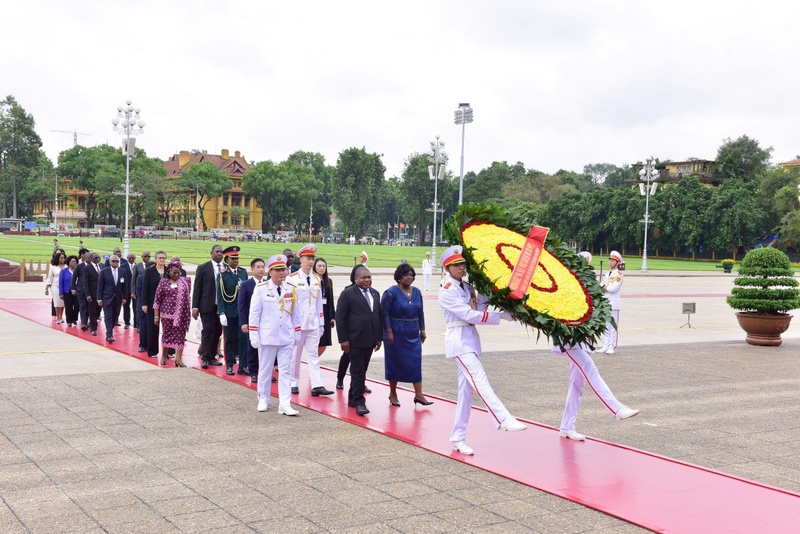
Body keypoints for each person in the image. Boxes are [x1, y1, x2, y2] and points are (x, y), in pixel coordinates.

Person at [438, 245, 526, 456]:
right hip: (459, 341)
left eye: (462, 264)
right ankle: (503, 418)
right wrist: (502, 317)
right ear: (447, 268)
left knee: (465, 393)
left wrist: (487, 289)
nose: (461, 268)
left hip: (470, 341)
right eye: (456, 265)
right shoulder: (447, 291)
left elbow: (479, 310)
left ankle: (458, 437)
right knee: (479, 379)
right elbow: (469, 315)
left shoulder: (467, 287)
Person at [553, 251, 639, 441]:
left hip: (581, 340)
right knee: (590, 369)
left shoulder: (585, 282)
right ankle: (616, 409)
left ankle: (567, 426)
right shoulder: (569, 283)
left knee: (577, 385)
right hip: (568, 340)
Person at [249, 254, 301, 416]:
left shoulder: (291, 288)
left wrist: (297, 332)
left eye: (283, 269)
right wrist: (253, 335)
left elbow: (295, 313)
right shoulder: (261, 289)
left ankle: (285, 403)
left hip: (286, 335)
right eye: (277, 270)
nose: (281, 273)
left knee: (285, 371)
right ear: (270, 272)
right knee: (265, 370)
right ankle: (263, 398)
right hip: (268, 335)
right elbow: (254, 313)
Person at [335, 267, 383, 416]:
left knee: (362, 370)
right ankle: (359, 402)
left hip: (370, 339)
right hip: (354, 340)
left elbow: (378, 316)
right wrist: (343, 339)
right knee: (357, 371)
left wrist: (379, 337)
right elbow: (340, 318)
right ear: (356, 279)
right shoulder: (348, 294)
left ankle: (352, 397)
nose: (367, 280)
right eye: (363, 277)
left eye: (369, 277)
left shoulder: (375, 294)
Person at [287, 244, 333, 396]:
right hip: (297, 325)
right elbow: (288, 303)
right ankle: (293, 382)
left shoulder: (316, 279)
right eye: (308, 258)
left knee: (313, 355)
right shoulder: (292, 279)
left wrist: (321, 324)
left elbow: (318, 304)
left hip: (312, 323)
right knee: (295, 355)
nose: (311, 261)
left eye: (313, 258)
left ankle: (317, 385)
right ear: (301, 259)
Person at [382, 263, 430, 406]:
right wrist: (389, 332)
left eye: (411, 275)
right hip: (395, 335)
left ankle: (419, 395)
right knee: (394, 363)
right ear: (399, 277)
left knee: (415, 363)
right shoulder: (390, 293)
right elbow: (385, 314)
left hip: (413, 334)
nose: (409, 277)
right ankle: (393, 393)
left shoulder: (417, 292)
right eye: (406, 275)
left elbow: (421, 312)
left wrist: (422, 330)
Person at [153, 259, 192, 367]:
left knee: (180, 336)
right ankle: (164, 356)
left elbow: (188, 298)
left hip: (181, 316)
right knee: (167, 335)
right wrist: (156, 316)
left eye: (178, 272)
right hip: (167, 315)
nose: (176, 275)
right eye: (174, 272)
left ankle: (178, 359)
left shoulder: (185, 282)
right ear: (169, 272)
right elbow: (157, 300)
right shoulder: (163, 282)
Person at [217, 246, 249, 376]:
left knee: (243, 339)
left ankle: (243, 365)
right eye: (232, 259)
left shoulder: (243, 272)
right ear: (227, 260)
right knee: (229, 340)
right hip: (229, 312)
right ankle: (229, 365)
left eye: (237, 258)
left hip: (241, 313)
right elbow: (220, 295)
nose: (235, 261)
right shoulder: (223, 274)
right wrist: (221, 312)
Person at [192, 244, 224, 368]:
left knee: (217, 331)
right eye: (217, 251)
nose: (219, 253)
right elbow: (197, 288)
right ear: (211, 253)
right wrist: (195, 307)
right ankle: (205, 357)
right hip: (207, 305)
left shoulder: (226, 268)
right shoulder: (203, 268)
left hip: (221, 307)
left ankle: (212, 357)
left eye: (221, 252)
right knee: (208, 330)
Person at [239, 258, 266, 383]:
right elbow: (242, 305)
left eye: (263, 267)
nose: (261, 270)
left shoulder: (268, 284)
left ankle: (266, 372)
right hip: (252, 321)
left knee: (267, 348)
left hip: (265, 322)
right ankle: (254, 372)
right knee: (252, 347)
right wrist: (243, 322)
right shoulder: (246, 284)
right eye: (258, 267)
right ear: (252, 269)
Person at [97, 254, 129, 343]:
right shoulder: (104, 271)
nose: (115, 263)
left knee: (115, 317)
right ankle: (109, 335)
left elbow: (125, 286)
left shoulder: (123, 271)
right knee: (108, 317)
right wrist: (99, 298)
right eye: (113, 261)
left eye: (117, 261)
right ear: (110, 262)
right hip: (107, 298)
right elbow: (100, 286)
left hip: (118, 299)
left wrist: (125, 297)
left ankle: (109, 330)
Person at [141, 251, 168, 357]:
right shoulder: (149, 271)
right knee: (153, 328)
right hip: (152, 303)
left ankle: (169, 351)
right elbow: (145, 288)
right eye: (160, 258)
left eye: (164, 258)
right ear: (156, 259)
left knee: (168, 328)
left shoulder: (168, 271)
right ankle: (152, 351)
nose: (162, 260)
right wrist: (144, 303)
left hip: (167, 304)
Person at [597, 250, 624, 354]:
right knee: (606, 325)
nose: (610, 262)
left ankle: (612, 346)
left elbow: (614, 288)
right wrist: (599, 285)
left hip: (613, 303)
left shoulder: (619, 274)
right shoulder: (607, 273)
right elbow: (602, 284)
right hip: (606, 302)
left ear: (617, 263)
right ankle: (606, 345)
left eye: (613, 260)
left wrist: (604, 288)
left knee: (613, 326)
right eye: (610, 260)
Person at [314, 258, 335, 357]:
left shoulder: (328, 281)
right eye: (319, 266)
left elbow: (331, 300)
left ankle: (314, 360)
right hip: (314, 313)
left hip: (325, 313)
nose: (322, 268)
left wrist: (333, 316)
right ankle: (313, 361)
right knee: (314, 342)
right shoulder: (312, 280)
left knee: (324, 343)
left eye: (323, 266)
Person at [134, 257, 153, 352]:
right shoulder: (140, 278)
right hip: (143, 306)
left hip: (154, 307)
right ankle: (142, 345)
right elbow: (139, 292)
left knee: (152, 328)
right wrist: (146, 303)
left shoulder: (157, 278)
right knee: (143, 327)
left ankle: (151, 345)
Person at [70, 248, 91, 330]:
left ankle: (88, 322)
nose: (89, 258)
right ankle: (84, 323)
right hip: (81, 289)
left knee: (89, 307)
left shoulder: (93, 266)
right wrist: (73, 288)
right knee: (83, 307)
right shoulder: (79, 266)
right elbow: (74, 278)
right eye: (87, 256)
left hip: (90, 290)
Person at [82, 253, 102, 336]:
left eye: (98, 257)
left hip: (101, 293)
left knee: (98, 311)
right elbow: (85, 282)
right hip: (92, 294)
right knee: (92, 311)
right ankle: (93, 328)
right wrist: (87, 294)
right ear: (91, 258)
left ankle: (91, 323)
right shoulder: (87, 268)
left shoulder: (102, 266)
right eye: (95, 258)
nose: (97, 259)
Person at [46, 252, 66, 323]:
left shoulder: (67, 266)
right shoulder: (53, 267)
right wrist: (47, 287)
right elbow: (50, 277)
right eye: (61, 258)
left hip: (64, 286)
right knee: (57, 301)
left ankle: (61, 316)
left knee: (62, 302)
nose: (63, 259)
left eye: (64, 258)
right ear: (58, 258)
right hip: (55, 285)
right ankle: (58, 317)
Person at [59, 255, 79, 327]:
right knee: (68, 307)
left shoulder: (79, 270)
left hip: (77, 292)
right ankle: (69, 321)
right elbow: (61, 282)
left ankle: (74, 318)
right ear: (69, 262)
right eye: (72, 261)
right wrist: (61, 293)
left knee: (77, 306)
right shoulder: (64, 271)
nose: (73, 263)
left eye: (75, 261)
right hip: (67, 291)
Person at [122, 252, 137, 328]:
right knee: (126, 307)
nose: (131, 259)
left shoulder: (138, 266)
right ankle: (127, 322)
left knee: (136, 308)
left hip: (135, 291)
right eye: (130, 258)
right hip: (126, 290)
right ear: (127, 258)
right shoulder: (123, 266)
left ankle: (136, 323)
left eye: (133, 258)